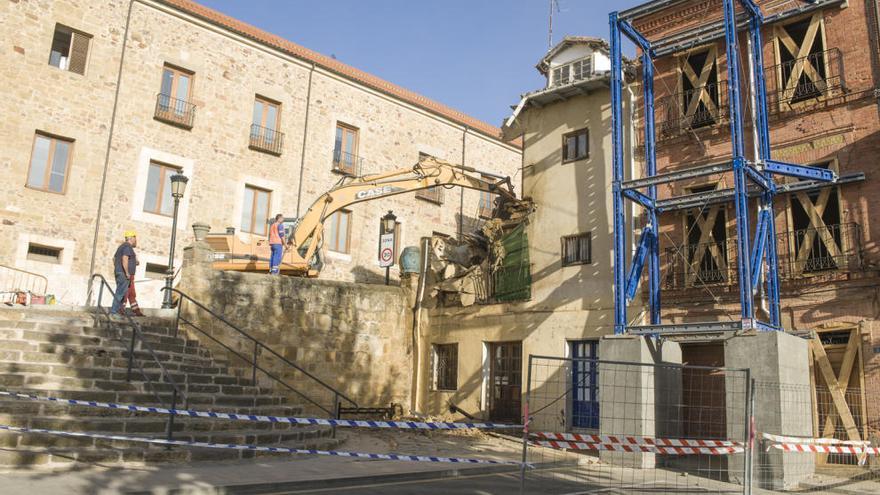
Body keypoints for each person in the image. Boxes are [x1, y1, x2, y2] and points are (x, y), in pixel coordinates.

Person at [111, 231, 138, 315]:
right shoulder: (127, 247)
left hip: (119, 272)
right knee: (120, 293)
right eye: (135, 238)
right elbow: (124, 258)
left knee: (121, 293)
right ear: (131, 238)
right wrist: (126, 272)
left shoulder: (121, 247)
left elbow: (114, 259)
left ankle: (118, 311)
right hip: (123, 273)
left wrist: (117, 268)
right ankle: (114, 312)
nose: (136, 240)